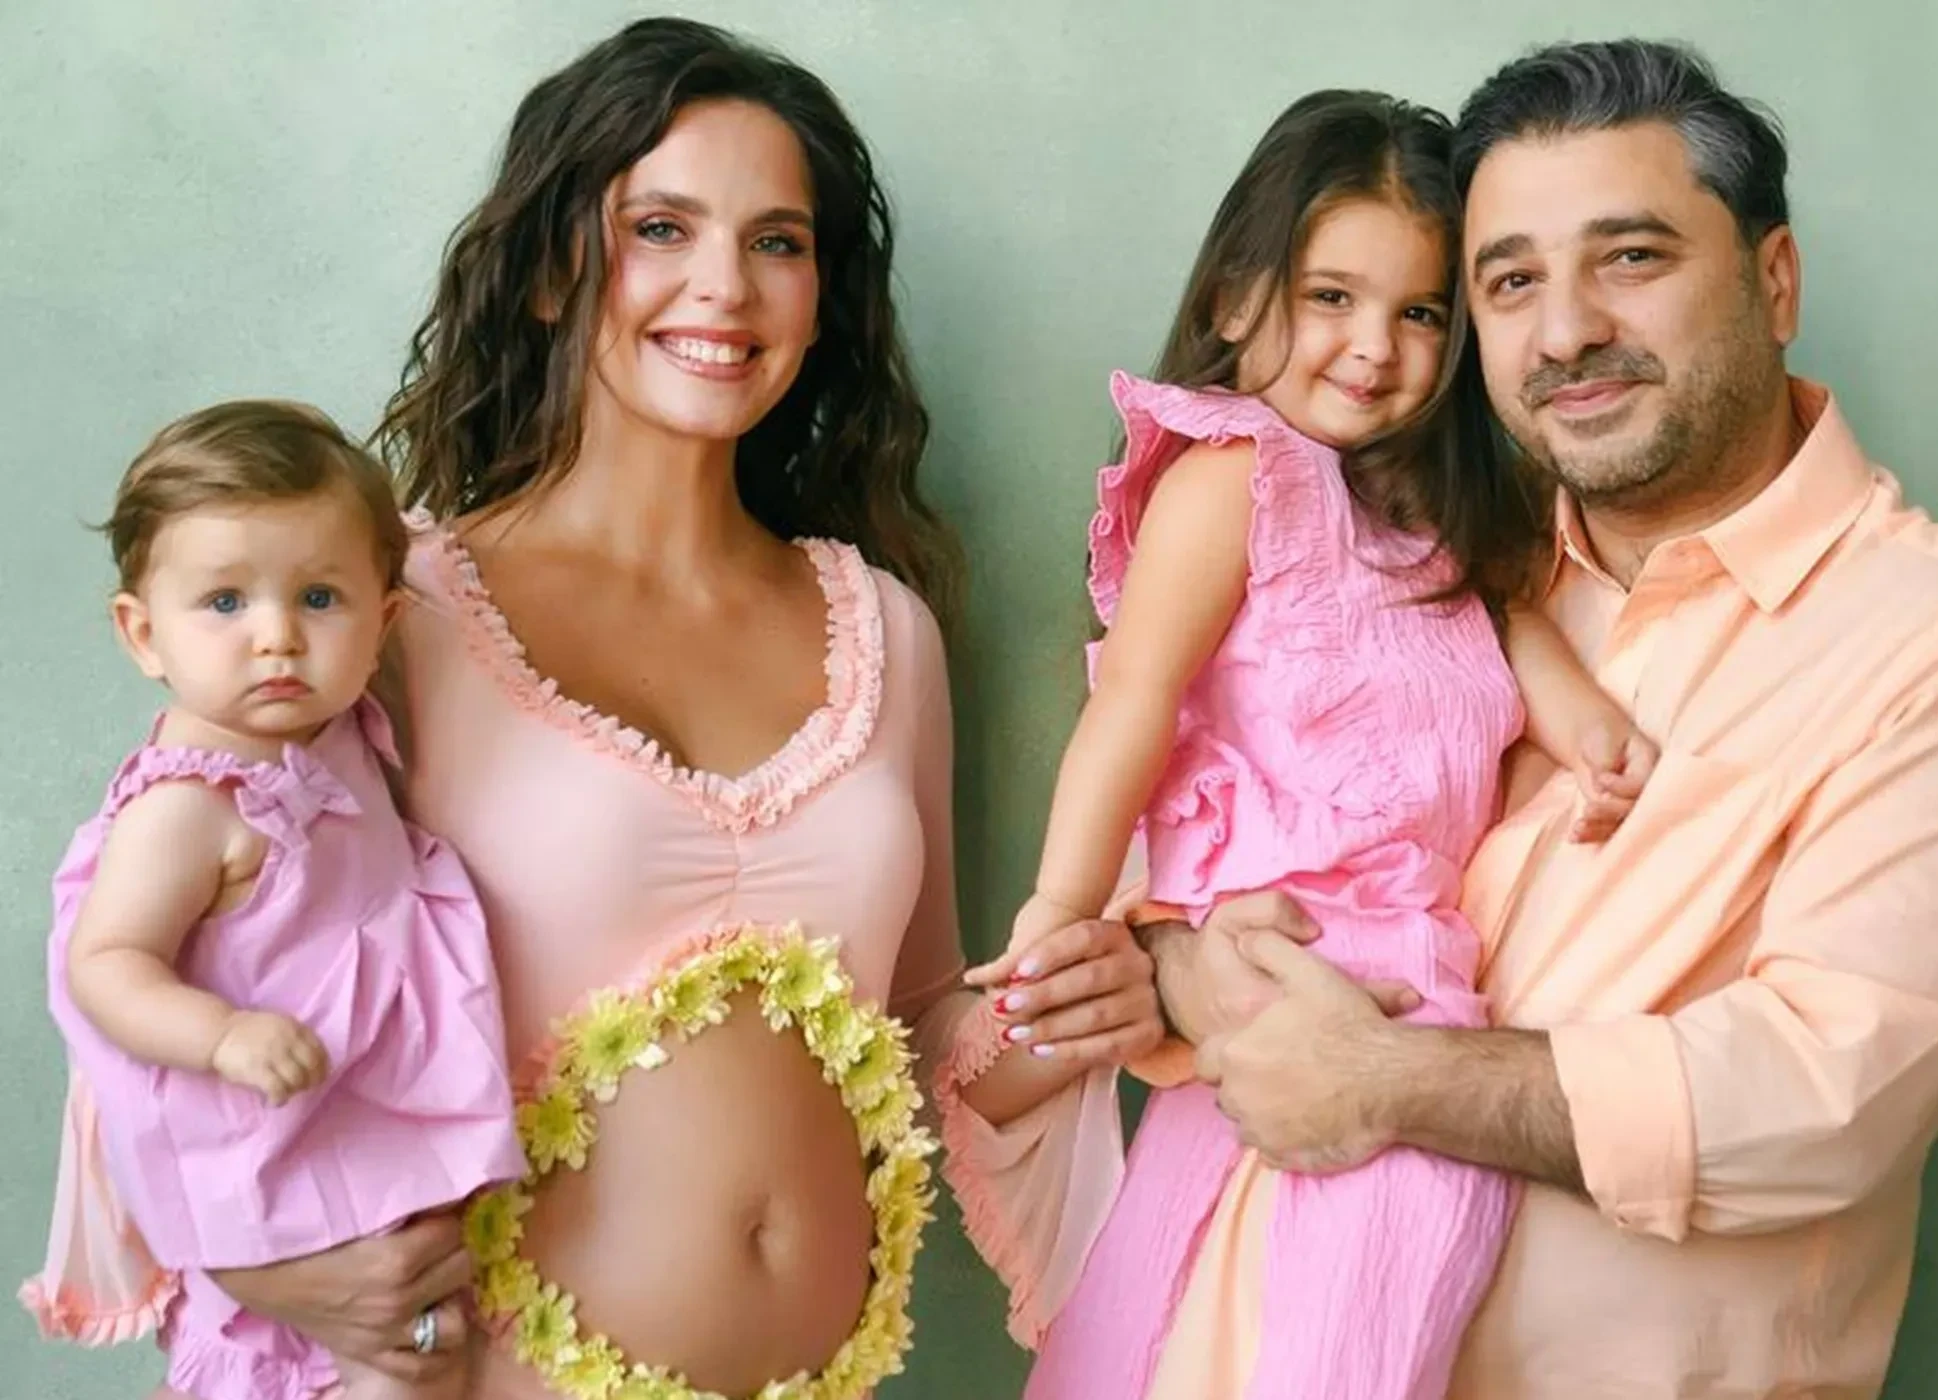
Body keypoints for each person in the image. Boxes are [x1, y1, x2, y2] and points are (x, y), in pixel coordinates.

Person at [25, 19, 1158, 1399]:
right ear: (556, 268)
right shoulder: (385, 621)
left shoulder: (887, 632)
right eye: (660, 228)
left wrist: (1092, 999)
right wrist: (255, 1263)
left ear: (823, 298)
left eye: (778, 241)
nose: (723, 286)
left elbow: (916, 1029)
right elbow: (150, 953)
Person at [1148, 39, 1938, 1400]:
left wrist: (1389, 1079)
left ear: (1774, 281)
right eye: (1509, 282)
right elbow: (1211, 850)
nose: (1563, 333)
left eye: (1630, 258)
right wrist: (1180, 965)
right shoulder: (1413, 568)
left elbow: (1825, 1092)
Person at [969, 89, 1650, 1400]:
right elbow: (1132, 701)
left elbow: (1506, 626)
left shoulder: (1431, 522)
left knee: (1348, 1331)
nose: (1374, 348)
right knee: (1150, 1329)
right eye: (1331, 296)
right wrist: (1062, 905)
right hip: (1264, 959)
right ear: (1237, 297)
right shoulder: (1236, 477)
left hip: (1409, 986)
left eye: (1420, 313)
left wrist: (1589, 729)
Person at [25, 402, 524, 1400]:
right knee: (378, 1364)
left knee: (433, 1353)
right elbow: (105, 962)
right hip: (274, 1146)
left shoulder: (332, 734)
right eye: (224, 602)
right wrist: (221, 1035)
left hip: (356, 1124)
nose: (278, 638)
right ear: (142, 633)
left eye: (319, 597)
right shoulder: (187, 805)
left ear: (385, 619)